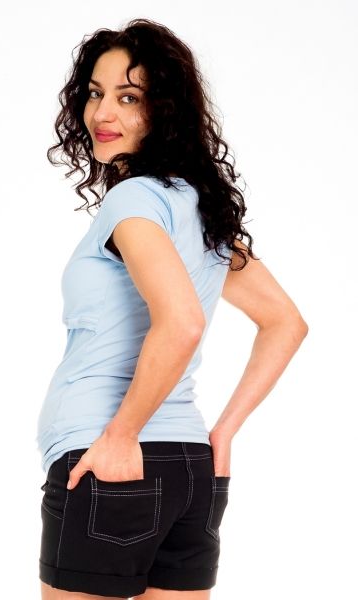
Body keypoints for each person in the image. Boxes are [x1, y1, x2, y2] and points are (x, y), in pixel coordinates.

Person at [36, 17, 309, 600]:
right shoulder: (201, 210)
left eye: (128, 97)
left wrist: (121, 434)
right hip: (190, 470)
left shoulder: (132, 200)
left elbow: (182, 321)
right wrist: (223, 433)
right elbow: (285, 322)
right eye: (95, 93)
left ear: (164, 110)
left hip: (111, 460)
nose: (102, 113)